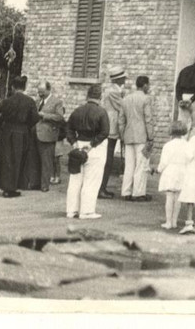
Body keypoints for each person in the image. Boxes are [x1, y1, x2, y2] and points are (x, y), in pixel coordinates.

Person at [0, 75, 41, 198]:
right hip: (22, 132)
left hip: (7, 131)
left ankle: (6, 187)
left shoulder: (6, 101)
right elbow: (35, 118)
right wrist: (26, 126)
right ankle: (13, 187)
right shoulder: (30, 101)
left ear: (12, 87)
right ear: (25, 87)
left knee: (7, 159)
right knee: (19, 159)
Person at [65, 84, 111, 220]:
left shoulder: (77, 111)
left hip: (78, 145)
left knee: (75, 179)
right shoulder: (101, 112)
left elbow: (68, 128)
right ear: (100, 97)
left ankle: (71, 210)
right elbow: (105, 132)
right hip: (95, 148)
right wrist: (92, 144)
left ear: (87, 96)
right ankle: (86, 211)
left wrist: (73, 142)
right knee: (92, 180)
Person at [119, 75, 154, 202]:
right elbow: (148, 119)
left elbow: (121, 120)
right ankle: (138, 193)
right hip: (142, 136)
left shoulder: (126, 99)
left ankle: (126, 191)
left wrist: (122, 135)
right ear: (144, 85)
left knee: (129, 165)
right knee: (141, 165)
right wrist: (151, 136)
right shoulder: (146, 99)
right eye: (148, 85)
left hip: (128, 135)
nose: (149, 87)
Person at [99, 68, 127, 199]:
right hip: (111, 127)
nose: (125, 79)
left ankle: (102, 188)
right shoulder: (114, 91)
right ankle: (101, 188)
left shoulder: (112, 90)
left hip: (110, 126)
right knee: (107, 159)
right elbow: (123, 107)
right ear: (118, 79)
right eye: (123, 78)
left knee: (107, 158)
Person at [156, 121, 189, 230]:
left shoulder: (168, 145)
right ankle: (174, 221)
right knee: (178, 197)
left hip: (170, 171)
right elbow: (189, 158)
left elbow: (164, 161)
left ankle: (168, 221)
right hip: (182, 171)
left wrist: (159, 169)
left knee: (169, 197)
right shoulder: (187, 144)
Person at [35, 81, 66, 191]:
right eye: (39, 92)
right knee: (36, 160)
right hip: (36, 134)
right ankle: (36, 183)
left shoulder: (57, 102)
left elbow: (60, 117)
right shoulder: (37, 101)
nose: (40, 94)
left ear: (49, 90)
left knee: (46, 161)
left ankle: (44, 185)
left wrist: (45, 115)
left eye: (42, 92)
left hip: (48, 135)